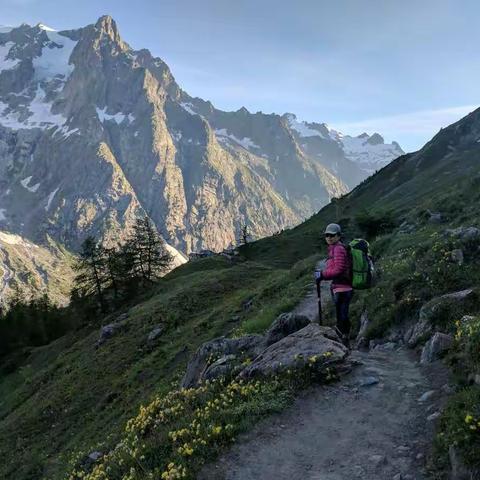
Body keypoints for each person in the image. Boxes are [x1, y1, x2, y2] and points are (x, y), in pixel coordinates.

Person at [314, 223, 353, 348]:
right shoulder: (334, 248)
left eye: (332, 235)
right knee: (341, 313)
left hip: (343, 286)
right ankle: (344, 339)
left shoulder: (338, 249)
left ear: (338, 236)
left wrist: (322, 274)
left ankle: (344, 340)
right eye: (327, 235)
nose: (329, 237)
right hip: (339, 286)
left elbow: (339, 269)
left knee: (342, 314)